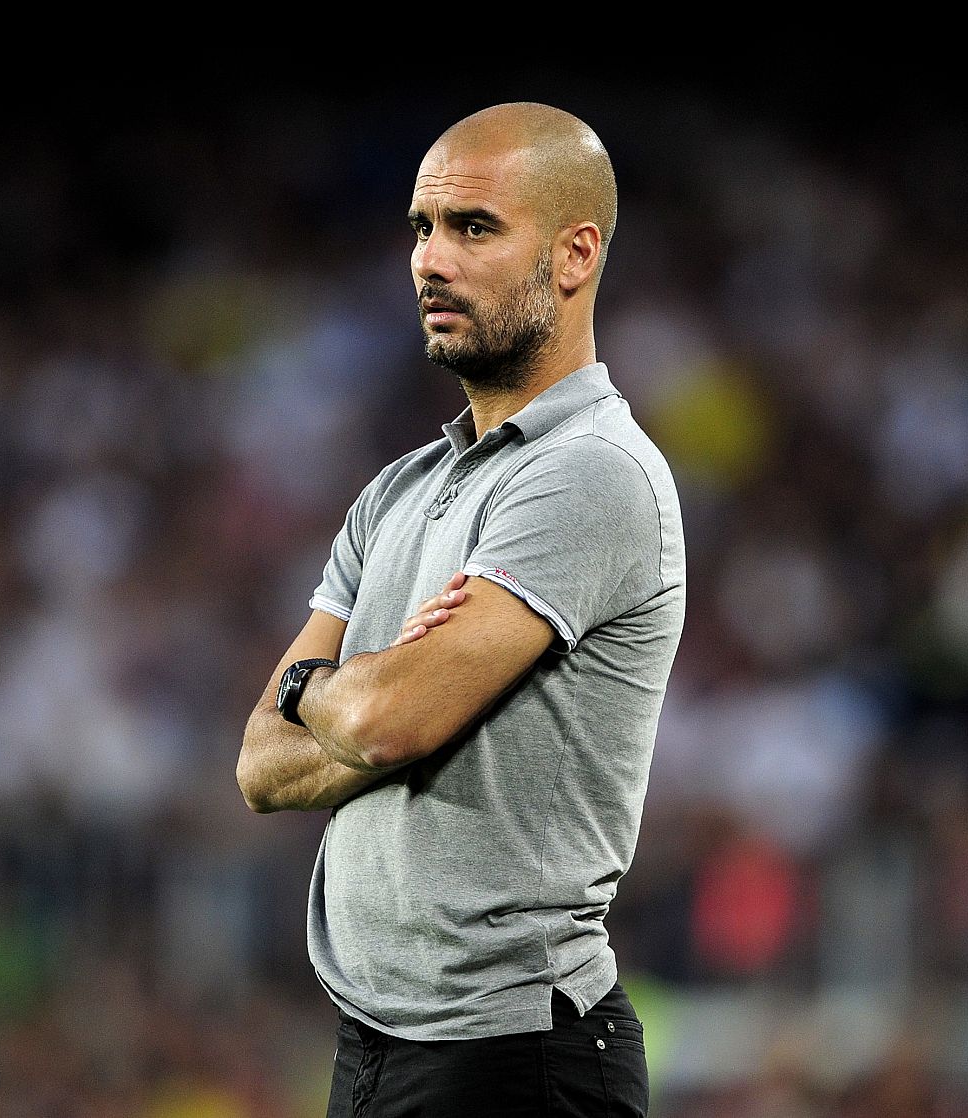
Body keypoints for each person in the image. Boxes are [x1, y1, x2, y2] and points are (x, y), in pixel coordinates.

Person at [237, 101, 685, 1117]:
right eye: (420, 228)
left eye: (473, 227)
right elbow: (261, 766)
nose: (430, 260)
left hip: (514, 1055)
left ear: (574, 256)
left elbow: (389, 719)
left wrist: (318, 687)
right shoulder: (394, 490)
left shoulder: (590, 474)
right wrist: (357, 696)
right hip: (376, 1045)